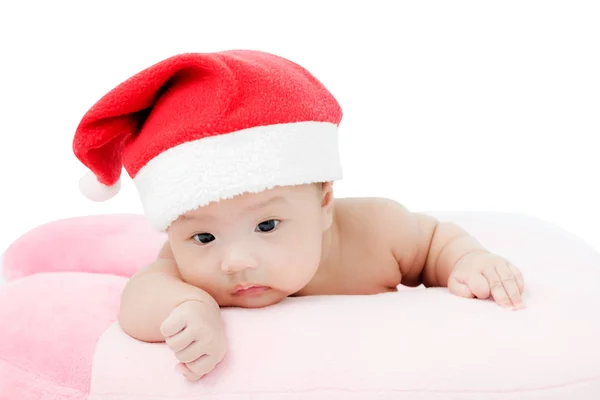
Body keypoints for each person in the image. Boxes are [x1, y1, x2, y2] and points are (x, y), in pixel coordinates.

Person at [72, 49, 526, 382]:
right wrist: (186, 307)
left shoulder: (375, 231)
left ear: (324, 204)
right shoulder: (184, 270)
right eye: (204, 238)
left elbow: (435, 242)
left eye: (267, 226)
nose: (234, 261)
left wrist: (467, 260)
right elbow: (139, 298)